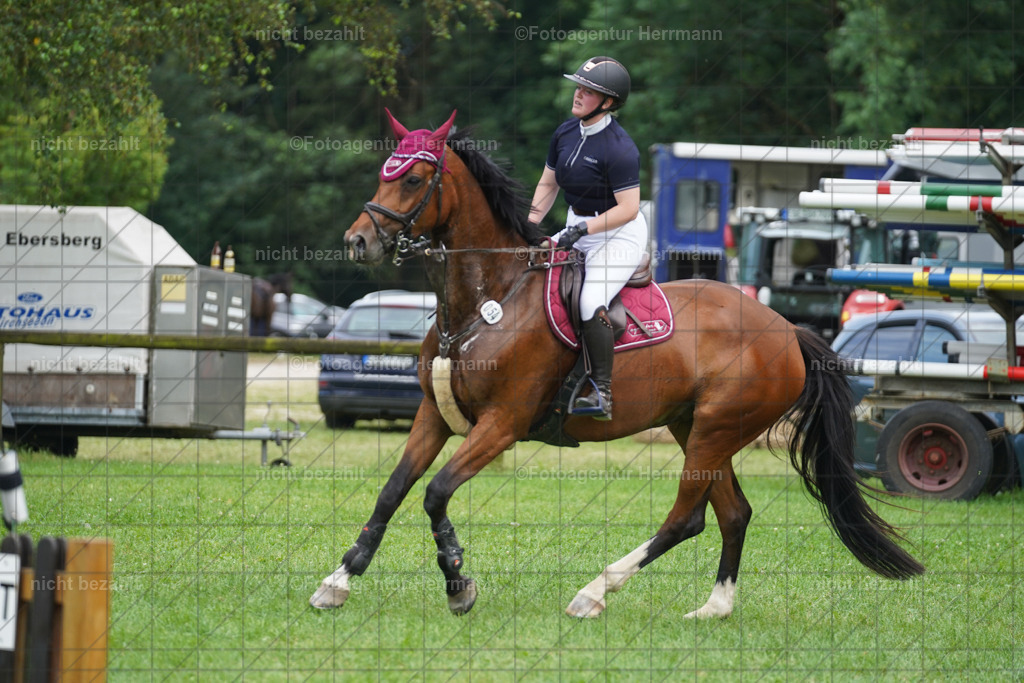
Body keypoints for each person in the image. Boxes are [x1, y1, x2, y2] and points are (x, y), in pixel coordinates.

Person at [528, 56, 647, 421]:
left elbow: (628, 207)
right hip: (577, 223)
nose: (578, 93)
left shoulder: (620, 148)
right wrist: (529, 225)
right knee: (529, 273)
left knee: (589, 299)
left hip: (619, 234)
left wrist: (581, 231)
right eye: (578, 85)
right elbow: (548, 184)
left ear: (608, 102)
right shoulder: (565, 132)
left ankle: (602, 391)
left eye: (588, 90)